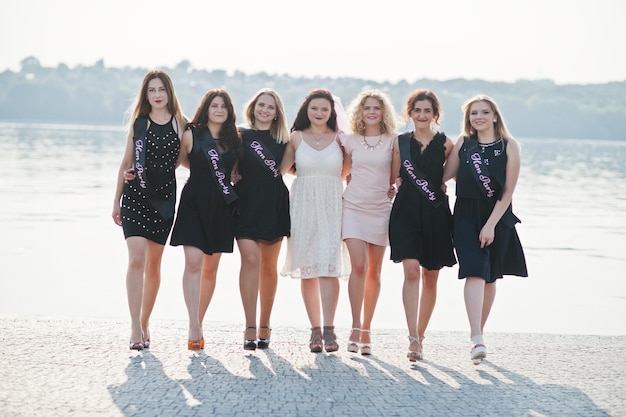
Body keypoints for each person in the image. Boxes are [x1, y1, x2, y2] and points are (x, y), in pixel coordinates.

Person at [442, 94, 528, 364]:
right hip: (466, 215)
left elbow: (508, 191)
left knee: (490, 278)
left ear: (494, 116)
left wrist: (490, 224)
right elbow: (445, 174)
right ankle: (476, 337)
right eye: (472, 113)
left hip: (497, 216)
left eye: (483, 112)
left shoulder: (509, 146)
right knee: (474, 271)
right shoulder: (464, 143)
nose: (478, 117)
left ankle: (478, 334)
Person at [112, 70, 186, 350]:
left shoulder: (181, 125)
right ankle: (133, 326)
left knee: (154, 265)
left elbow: (183, 160)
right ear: (146, 95)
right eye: (151, 90)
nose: (157, 95)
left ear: (169, 93)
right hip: (135, 197)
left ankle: (145, 321)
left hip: (164, 199)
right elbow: (125, 162)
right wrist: (116, 200)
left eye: (161, 90)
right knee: (136, 259)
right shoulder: (139, 124)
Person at [169, 89, 241, 350]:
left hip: (221, 207)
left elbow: (235, 171)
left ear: (229, 111)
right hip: (194, 203)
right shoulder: (191, 134)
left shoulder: (235, 140)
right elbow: (175, 164)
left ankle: (199, 319)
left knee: (210, 269)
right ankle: (193, 325)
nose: (219, 110)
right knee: (194, 264)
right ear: (206, 108)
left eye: (224, 106)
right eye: (214, 105)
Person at [388, 89, 457, 361]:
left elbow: (449, 176)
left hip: (436, 213)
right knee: (412, 273)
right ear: (410, 113)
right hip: (405, 212)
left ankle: (422, 334)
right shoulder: (400, 142)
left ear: (435, 114)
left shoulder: (447, 144)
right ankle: (412, 338)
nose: (422, 115)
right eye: (417, 110)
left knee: (431, 276)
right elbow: (394, 176)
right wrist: (392, 185)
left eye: (427, 110)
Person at [280, 89, 349, 353]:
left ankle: (330, 329)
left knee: (328, 267)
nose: (319, 113)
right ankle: (315, 331)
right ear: (306, 110)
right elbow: (279, 171)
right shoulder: (296, 138)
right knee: (308, 268)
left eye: (324, 109)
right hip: (303, 205)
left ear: (332, 113)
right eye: (314, 108)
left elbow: (349, 172)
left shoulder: (340, 139)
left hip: (332, 203)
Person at [340, 90, 398, 355]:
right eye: (367, 108)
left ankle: (367, 328)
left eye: (376, 108)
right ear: (359, 113)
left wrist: (396, 187)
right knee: (359, 267)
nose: (372, 112)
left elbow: (395, 178)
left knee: (375, 271)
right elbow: (342, 172)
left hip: (381, 209)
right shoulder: (350, 140)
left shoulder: (393, 141)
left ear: (383, 112)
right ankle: (354, 327)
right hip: (352, 207)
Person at [233, 88, 291, 350]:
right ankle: (249, 325)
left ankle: (265, 323)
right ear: (253, 107)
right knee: (251, 259)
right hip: (245, 204)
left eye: (270, 106)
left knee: (269, 267)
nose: (265, 110)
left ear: (277, 112)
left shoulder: (286, 141)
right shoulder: (240, 135)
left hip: (274, 205)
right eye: (261, 105)